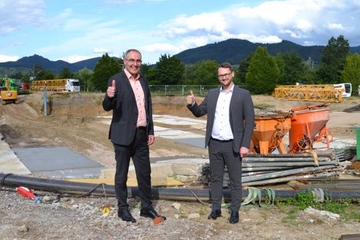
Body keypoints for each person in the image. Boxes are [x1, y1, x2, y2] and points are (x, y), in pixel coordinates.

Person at [186, 62, 255, 224]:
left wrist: (245, 144)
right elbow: (199, 112)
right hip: (214, 143)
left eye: (226, 74)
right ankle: (216, 208)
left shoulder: (243, 94)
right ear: (218, 77)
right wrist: (192, 104)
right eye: (220, 75)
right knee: (216, 178)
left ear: (232, 74)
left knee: (235, 180)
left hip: (233, 144)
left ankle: (235, 211)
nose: (223, 77)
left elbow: (250, 122)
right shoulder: (212, 94)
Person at [102, 49, 166, 223]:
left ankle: (146, 207)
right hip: (122, 135)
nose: (135, 64)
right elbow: (107, 106)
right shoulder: (116, 80)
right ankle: (123, 209)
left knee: (145, 173)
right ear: (124, 61)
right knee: (121, 174)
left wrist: (150, 130)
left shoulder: (143, 81)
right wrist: (108, 97)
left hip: (141, 135)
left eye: (138, 61)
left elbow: (148, 107)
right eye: (131, 60)